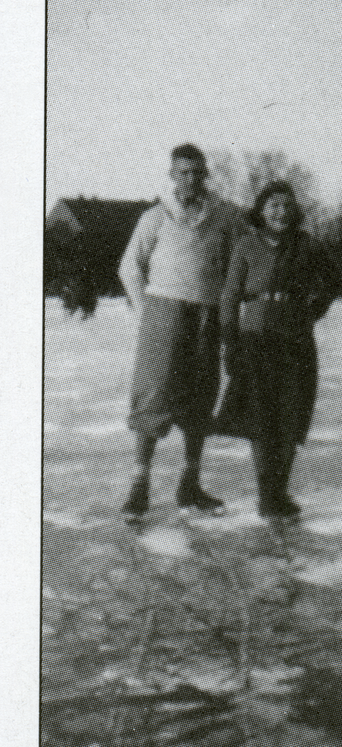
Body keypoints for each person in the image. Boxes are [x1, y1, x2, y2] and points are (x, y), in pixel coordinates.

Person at [119, 144, 245, 521]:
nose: (190, 179)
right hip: (163, 313)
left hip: (206, 314)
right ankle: (139, 486)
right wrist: (147, 313)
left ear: (205, 174)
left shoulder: (226, 217)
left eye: (196, 172)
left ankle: (189, 486)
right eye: (183, 172)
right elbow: (130, 268)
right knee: (153, 397)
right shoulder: (154, 217)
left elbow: (241, 264)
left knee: (199, 396)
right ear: (172, 176)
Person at [220, 181, 341, 519]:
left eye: (287, 205)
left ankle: (279, 493)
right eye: (273, 205)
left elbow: (333, 282)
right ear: (260, 210)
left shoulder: (309, 245)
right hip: (254, 338)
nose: (281, 212)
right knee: (260, 419)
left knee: (290, 417)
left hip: (295, 340)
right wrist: (229, 341)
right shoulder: (246, 245)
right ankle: (265, 494)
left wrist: (312, 311)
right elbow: (229, 296)